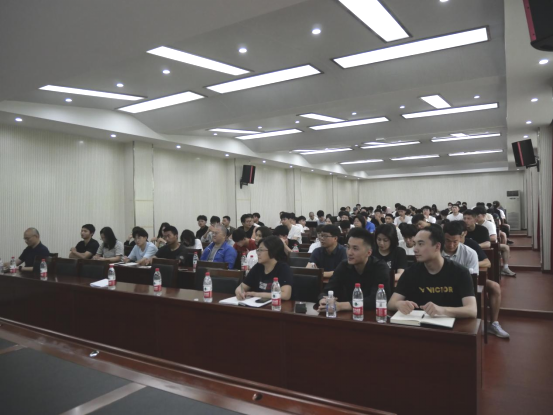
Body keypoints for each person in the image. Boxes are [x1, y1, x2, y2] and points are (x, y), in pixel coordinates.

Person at [388, 226, 477, 318]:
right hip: (418, 323)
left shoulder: (460, 272)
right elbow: (391, 303)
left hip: (451, 324)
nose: (415, 249)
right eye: (415, 244)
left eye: (420, 244)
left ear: (437, 246)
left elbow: (472, 310)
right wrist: (398, 304)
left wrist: (443, 310)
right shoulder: (410, 272)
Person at [443, 222, 509, 338]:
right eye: (447, 241)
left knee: (493, 287)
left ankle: (494, 323)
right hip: (441, 285)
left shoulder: (470, 251)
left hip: (464, 285)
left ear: (462, 236)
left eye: (455, 241)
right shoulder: (435, 250)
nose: (451, 245)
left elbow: (476, 275)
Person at [317, 228, 390, 313]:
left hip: (373, 315)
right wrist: (323, 301)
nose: (349, 252)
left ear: (369, 253)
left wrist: (341, 306)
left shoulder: (380, 267)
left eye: (355, 248)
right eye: (348, 247)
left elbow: (375, 299)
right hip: (347, 315)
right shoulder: (344, 265)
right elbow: (327, 290)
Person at [235, 236, 293, 301]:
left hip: (277, 305)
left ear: (273, 251)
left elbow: (285, 295)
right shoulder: (258, 267)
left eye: (261, 250)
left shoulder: (283, 268)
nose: (258, 253)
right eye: (258, 250)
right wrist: (239, 291)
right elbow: (242, 287)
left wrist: (256, 294)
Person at [473, 207, 516, 276]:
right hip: (478, 244)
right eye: (474, 216)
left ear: (484, 215)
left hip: (490, 245)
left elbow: (493, 238)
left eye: (477, 216)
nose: (475, 218)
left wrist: (481, 239)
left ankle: (505, 268)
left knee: (505, 247)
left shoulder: (489, 224)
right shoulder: (473, 224)